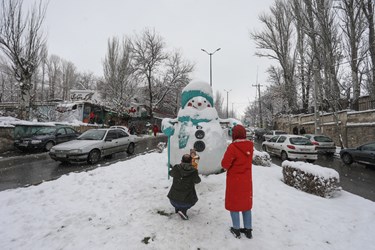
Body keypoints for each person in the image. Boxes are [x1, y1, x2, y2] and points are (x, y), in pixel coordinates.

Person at [221, 124, 254, 239]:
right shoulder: (250, 146)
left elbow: (225, 164)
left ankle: (236, 229)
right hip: (246, 180)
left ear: (234, 134)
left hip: (235, 181)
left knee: (234, 204)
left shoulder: (233, 147)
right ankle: (248, 229)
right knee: (246, 204)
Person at [167, 154, 201, 220]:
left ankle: (177, 209)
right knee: (192, 199)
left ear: (181, 161)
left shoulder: (176, 168)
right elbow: (198, 181)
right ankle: (183, 211)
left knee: (178, 194)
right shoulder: (193, 171)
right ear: (191, 162)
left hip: (173, 199)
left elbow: (170, 173)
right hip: (186, 201)